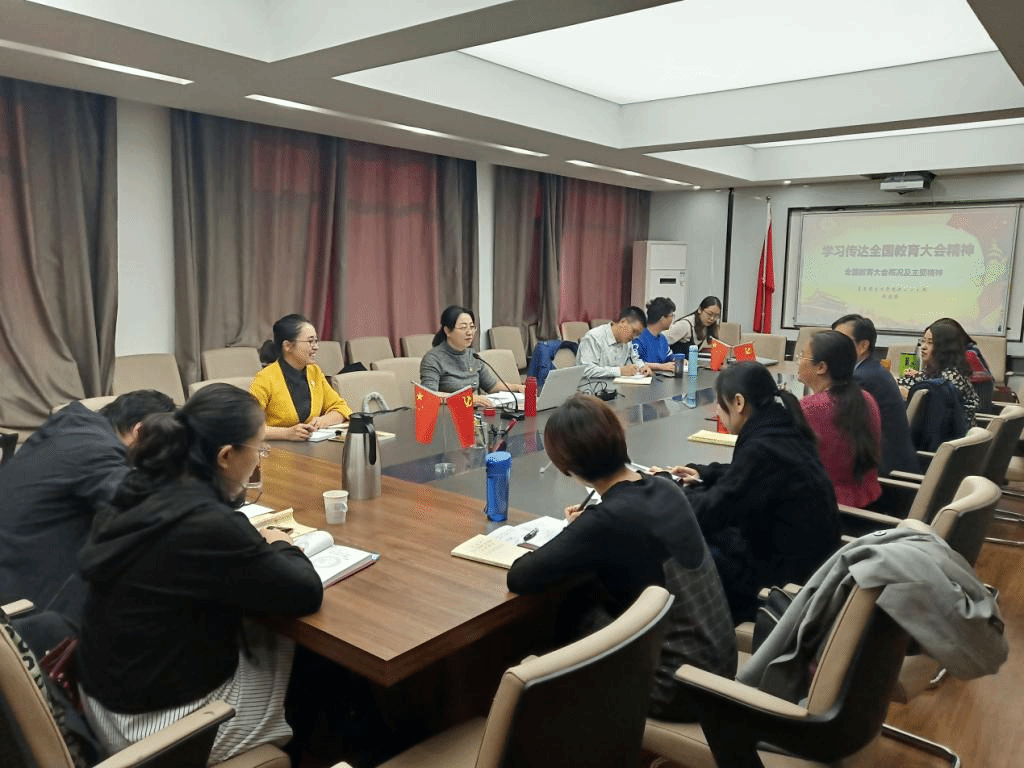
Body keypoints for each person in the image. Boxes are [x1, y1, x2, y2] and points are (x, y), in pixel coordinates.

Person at [76, 384, 324, 763]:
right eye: (259, 449)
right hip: (160, 730)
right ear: (225, 455)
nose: (260, 459)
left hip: (105, 702)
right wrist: (280, 543)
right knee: (300, 648)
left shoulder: (141, 484)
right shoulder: (206, 522)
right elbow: (306, 591)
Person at [506, 394, 736, 721]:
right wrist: (586, 529)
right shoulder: (665, 487)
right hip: (717, 666)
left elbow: (520, 576)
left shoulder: (606, 521)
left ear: (566, 467)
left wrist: (580, 531)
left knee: (572, 609)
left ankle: (555, 718)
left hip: (675, 688)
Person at [657, 362, 840, 622]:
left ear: (739, 402)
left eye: (719, 404)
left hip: (781, 589)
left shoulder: (762, 448)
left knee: (681, 539)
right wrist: (703, 474)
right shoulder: (783, 427)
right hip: (810, 567)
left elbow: (710, 512)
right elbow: (745, 479)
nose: (718, 411)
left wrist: (668, 487)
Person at [0, 390, 175, 621]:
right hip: (25, 602)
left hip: (15, 564)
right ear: (140, 432)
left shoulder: (71, 425)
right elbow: (145, 513)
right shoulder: (98, 452)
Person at [797, 330, 882, 507]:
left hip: (823, 508)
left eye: (802, 356)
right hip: (867, 505)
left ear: (821, 367)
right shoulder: (866, 398)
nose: (798, 361)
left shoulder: (810, 408)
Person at [831, 314, 919, 475]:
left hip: (884, 474)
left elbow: (838, 431)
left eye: (841, 341)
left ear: (863, 345)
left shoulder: (863, 379)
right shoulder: (872, 370)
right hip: (889, 464)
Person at [250, 314, 352, 441]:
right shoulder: (265, 378)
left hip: (310, 446)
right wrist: (286, 433)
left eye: (316, 341)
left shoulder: (314, 371)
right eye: (310, 341)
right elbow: (248, 426)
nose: (316, 347)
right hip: (275, 448)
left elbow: (341, 408)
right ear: (288, 346)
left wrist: (322, 421)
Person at [419, 305, 524, 407]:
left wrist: (518, 387)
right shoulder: (433, 358)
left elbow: (491, 386)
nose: (469, 332)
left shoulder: (473, 356)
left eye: (472, 327)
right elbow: (429, 395)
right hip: (446, 413)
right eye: (463, 327)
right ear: (447, 331)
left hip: (473, 412)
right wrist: (467, 398)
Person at [897, 319, 979, 426]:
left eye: (930, 343)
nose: (923, 347)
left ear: (945, 347)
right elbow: (907, 382)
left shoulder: (951, 377)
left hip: (950, 434)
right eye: (923, 341)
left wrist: (909, 395)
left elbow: (938, 413)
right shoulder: (935, 370)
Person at [575, 306, 651, 379]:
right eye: (634, 331)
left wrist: (642, 367)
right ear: (623, 322)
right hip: (592, 386)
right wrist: (619, 371)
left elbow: (634, 358)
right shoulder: (593, 337)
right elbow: (586, 370)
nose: (634, 337)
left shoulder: (627, 342)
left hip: (617, 385)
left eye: (637, 334)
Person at [634, 297, 677, 373]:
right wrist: (662, 367)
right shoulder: (638, 337)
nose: (672, 319)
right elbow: (634, 362)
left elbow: (669, 357)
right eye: (671, 315)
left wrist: (679, 360)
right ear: (662, 318)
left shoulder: (662, 338)